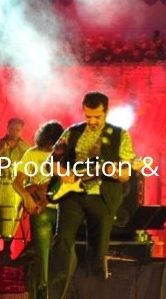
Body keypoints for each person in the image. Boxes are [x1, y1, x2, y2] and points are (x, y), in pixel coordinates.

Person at [48, 92, 134, 297]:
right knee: (62, 242)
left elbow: (126, 173)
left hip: (102, 197)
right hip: (71, 196)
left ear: (106, 112)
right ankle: (56, 295)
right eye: (88, 116)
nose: (92, 121)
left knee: (98, 251)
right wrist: (62, 172)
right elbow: (51, 162)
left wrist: (115, 171)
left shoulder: (120, 135)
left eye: (97, 116)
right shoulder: (72, 132)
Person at [14, 119, 64, 299]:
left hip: (64, 209)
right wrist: (26, 197)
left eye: (53, 145)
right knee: (42, 255)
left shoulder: (65, 155)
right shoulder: (32, 154)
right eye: (47, 145)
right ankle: (42, 292)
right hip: (41, 210)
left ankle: (57, 291)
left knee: (63, 254)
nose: (49, 148)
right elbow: (17, 182)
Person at [0, 117, 29, 256]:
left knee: (11, 222)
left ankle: (6, 254)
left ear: (22, 131)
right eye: (12, 129)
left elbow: (30, 171)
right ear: (7, 128)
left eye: (18, 129)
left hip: (16, 190)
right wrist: (0, 150)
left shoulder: (26, 149)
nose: (14, 132)